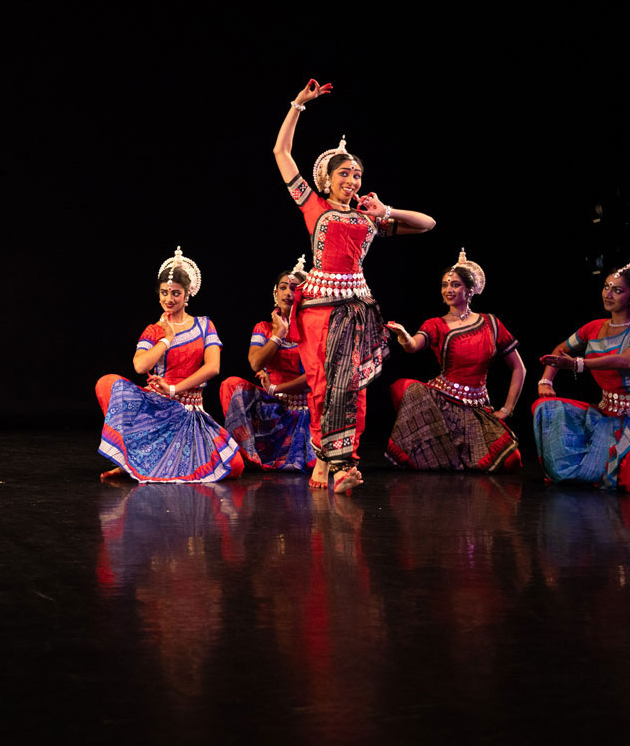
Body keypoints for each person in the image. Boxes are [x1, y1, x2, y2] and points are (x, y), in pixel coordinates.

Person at [273, 80, 436, 491]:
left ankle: (341, 464)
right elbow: (281, 153)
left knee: (353, 386)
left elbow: (427, 224)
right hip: (319, 308)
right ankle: (326, 459)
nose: (352, 179)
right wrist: (298, 105)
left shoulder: (368, 219)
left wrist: (387, 209)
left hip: (357, 309)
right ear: (326, 180)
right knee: (323, 384)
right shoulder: (313, 206)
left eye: (357, 174)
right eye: (344, 173)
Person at [96, 247, 244, 484]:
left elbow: (213, 367)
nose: (169, 299)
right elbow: (140, 366)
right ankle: (130, 461)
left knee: (234, 466)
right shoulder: (154, 330)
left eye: (176, 293)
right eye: (164, 292)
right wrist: (167, 339)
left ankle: (136, 463)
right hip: (158, 408)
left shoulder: (204, 325)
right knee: (107, 383)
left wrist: (175, 389)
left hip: (190, 412)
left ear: (187, 295)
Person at [531, 246, 630, 491]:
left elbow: (626, 360)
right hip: (605, 414)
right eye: (606, 287)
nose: (608, 294)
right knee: (545, 406)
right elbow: (560, 349)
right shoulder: (593, 327)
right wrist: (546, 381)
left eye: (618, 290)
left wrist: (578, 364)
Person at [384, 249, 527, 471]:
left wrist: (507, 409)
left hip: (476, 408)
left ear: (470, 290)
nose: (448, 289)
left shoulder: (491, 323)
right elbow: (413, 346)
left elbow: (519, 368)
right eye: (445, 285)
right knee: (404, 388)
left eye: (455, 285)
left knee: (511, 460)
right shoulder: (436, 324)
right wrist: (404, 335)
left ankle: (450, 454)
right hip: (442, 401)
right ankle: (438, 452)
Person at [219, 256, 313, 471]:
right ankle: (250, 454)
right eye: (283, 287)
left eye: (294, 288)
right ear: (275, 292)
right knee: (231, 384)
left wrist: (275, 388)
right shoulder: (263, 328)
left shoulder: (312, 329)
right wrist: (279, 335)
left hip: (305, 412)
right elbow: (255, 363)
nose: (288, 293)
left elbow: (314, 375)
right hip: (274, 412)